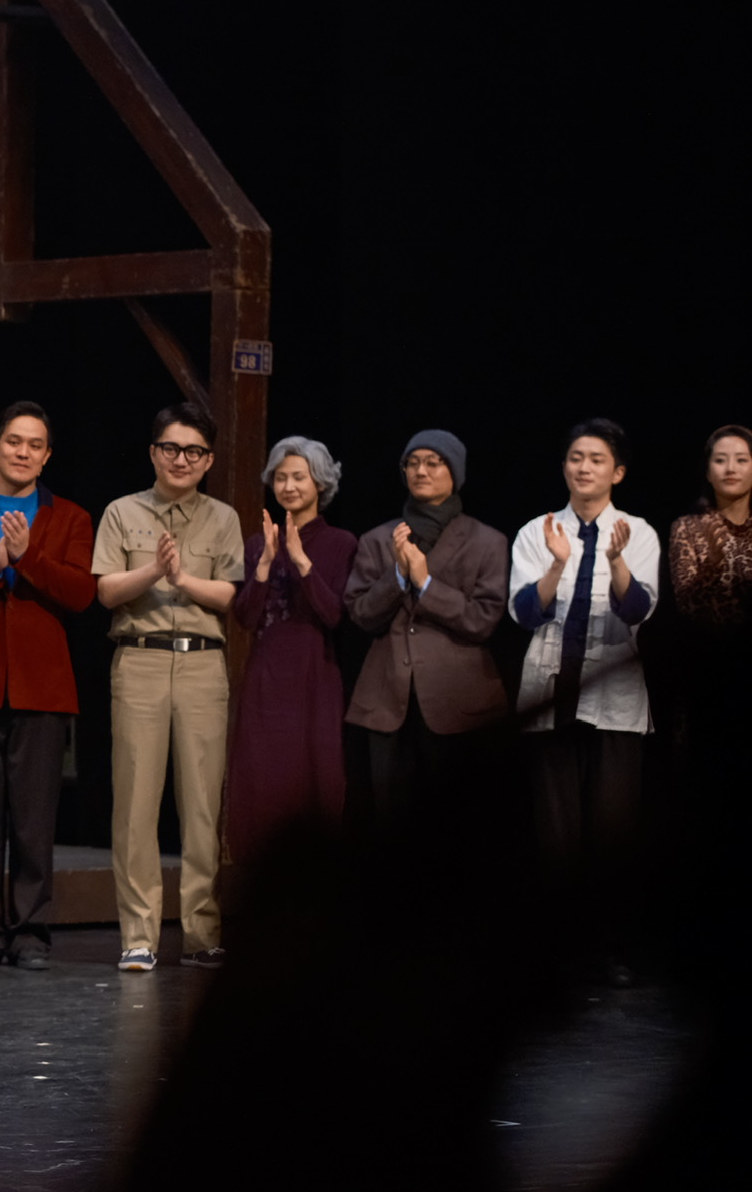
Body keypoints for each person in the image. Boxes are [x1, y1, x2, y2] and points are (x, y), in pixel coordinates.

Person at [92, 401, 243, 971]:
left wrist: (182, 578)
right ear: (154, 452)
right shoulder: (122, 511)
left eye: (194, 451)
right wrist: (155, 571)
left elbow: (230, 594)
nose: (182, 460)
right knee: (135, 803)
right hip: (141, 661)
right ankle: (139, 935)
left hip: (203, 665)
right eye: (172, 448)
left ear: (208, 461)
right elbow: (107, 591)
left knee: (202, 807)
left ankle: (202, 933)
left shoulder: (223, 518)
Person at [508, 419, 660, 986]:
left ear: (617, 472)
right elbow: (525, 613)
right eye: (576, 457)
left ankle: (608, 949)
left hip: (613, 700)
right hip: (551, 696)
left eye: (597, 459)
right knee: (556, 833)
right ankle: (559, 950)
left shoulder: (638, 532)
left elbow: (639, 610)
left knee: (611, 830)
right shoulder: (536, 530)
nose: (584, 467)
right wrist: (555, 563)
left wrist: (617, 560)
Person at [0, 401, 96, 971]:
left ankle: (32, 931)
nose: (23, 452)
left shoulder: (72, 518)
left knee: (35, 819)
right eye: (14, 441)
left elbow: (81, 593)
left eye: (35, 444)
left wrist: (27, 556)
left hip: (43, 687)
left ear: (47, 455)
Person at [342, 430, 511, 828]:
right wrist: (398, 577)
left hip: (458, 701)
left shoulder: (487, 541)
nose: (421, 471)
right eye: (412, 463)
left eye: (433, 462)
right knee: (391, 823)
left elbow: (483, 620)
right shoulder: (378, 539)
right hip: (389, 700)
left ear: (455, 472)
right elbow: (361, 613)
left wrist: (426, 582)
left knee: (456, 823)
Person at [225, 437, 356, 862]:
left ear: (320, 482)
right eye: (280, 477)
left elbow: (334, 615)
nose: (288, 486)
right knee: (261, 779)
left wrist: (302, 562)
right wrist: (265, 564)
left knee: (314, 779)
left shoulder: (341, 543)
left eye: (299, 477)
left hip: (315, 676)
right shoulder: (256, 543)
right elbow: (245, 618)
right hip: (266, 677)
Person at [667, 425, 752, 766]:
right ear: (707, 470)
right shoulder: (687, 528)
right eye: (720, 460)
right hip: (707, 676)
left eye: (741, 459)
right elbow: (689, 602)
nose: (731, 468)